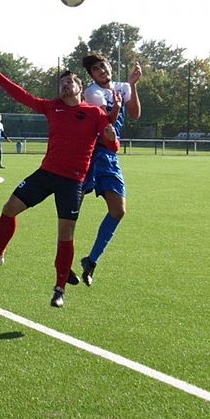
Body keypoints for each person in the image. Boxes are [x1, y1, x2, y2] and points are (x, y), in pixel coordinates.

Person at [0, 62, 120, 308]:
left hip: (73, 183)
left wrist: (112, 139)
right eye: (61, 84)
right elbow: (22, 96)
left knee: (65, 235)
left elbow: (112, 145)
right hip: (46, 174)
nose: (64, 86)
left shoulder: (95, 113)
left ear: (79, 87)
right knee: (9, 209)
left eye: (68, 82)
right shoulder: (52, 107)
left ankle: (59, 288)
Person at [78, 52, 142, 287]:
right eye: (96, 69)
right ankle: (62, 266)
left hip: (110, 155)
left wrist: (133, 86)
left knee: (118, 210)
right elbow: (106, 124)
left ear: (109, 66)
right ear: (92, 75)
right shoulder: (92, 92)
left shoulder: (123, 87)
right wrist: (115, 106)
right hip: (92, 153)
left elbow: (135, 114)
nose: (102, 71)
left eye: (103, 66)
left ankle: (90, 261)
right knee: (73, 207)